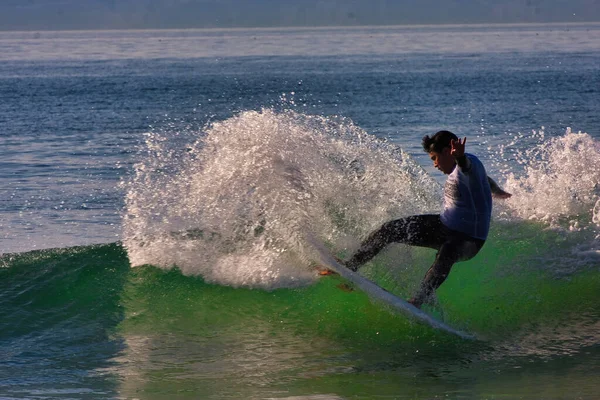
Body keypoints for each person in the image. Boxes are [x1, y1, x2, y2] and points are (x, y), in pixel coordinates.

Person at [343, 130, 511, 308]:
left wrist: (460, 157)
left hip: (468, 239)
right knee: (390, 229)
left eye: (434, 158)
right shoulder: (465, 169)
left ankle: (419, 299)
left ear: (448, 152)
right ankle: (351, 265)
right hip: (445, 226)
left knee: (447, 253)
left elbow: (467, 167)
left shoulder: (467, 164)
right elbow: (484, 178)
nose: (435, 165)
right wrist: (497, 191)